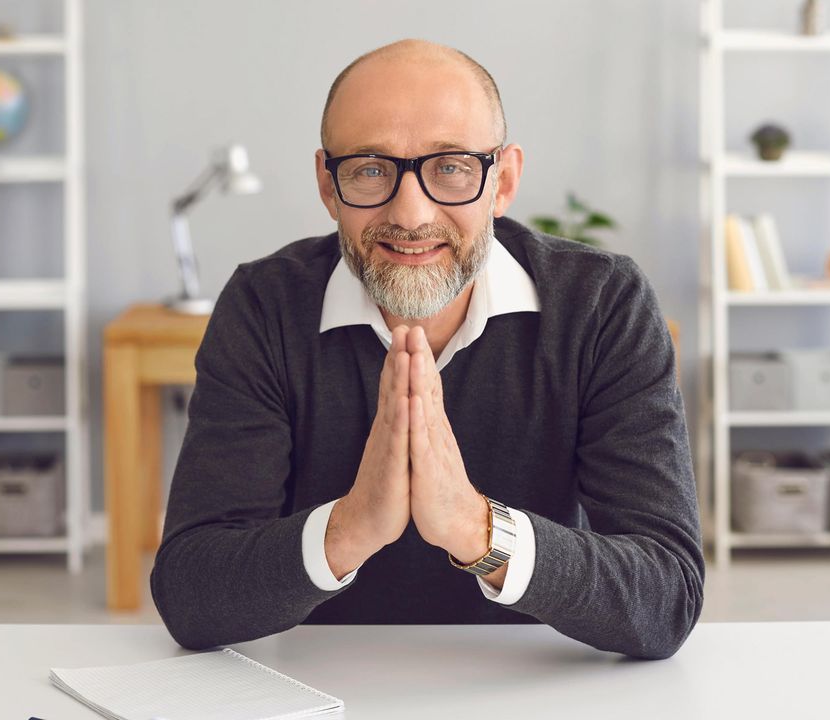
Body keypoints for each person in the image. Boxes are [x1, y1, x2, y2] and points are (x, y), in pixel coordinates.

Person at [150, 38, 703, 659]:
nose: (410, 214)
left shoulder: (602, 303)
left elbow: (666, 595)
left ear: (504, 181)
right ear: (327, 186)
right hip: (322, 686)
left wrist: (473, 527)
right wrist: (354, 525)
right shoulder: (266, 305)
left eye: (451, 167)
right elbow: (191, 594)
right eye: (369, 168)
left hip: (536, 686)